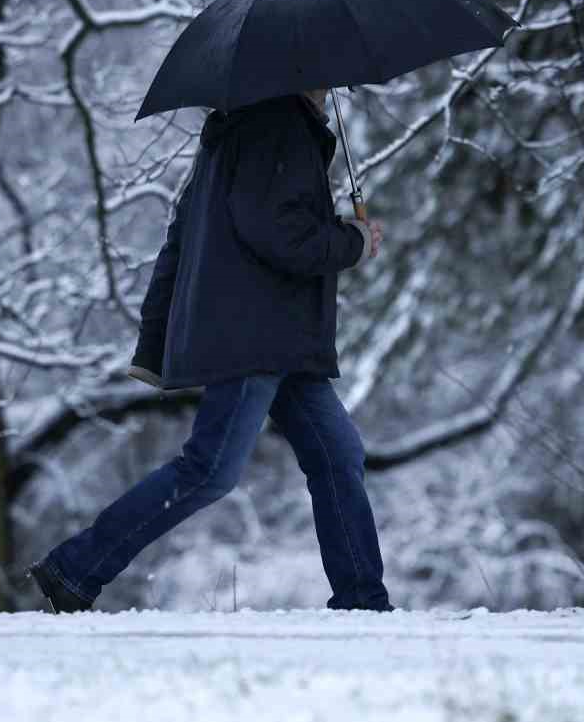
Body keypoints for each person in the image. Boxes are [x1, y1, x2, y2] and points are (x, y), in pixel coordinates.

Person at [28, 87, 392, 612]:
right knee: (210, 470)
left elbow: (185, 231)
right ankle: (74, 568)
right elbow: (280, 234)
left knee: (338, 456)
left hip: (282, 338)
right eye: (329, 77)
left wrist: (156, 334)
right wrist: (352, 241)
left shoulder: (245, 128)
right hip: (256, 333)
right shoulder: (276, 129)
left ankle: (364, 601)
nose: (334, 87)